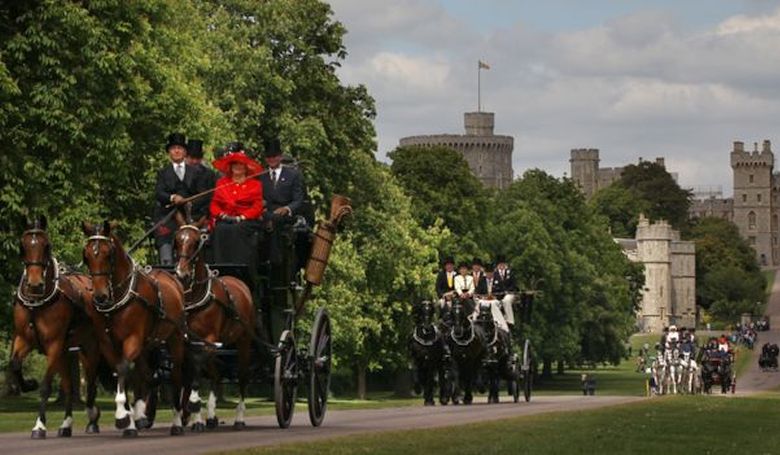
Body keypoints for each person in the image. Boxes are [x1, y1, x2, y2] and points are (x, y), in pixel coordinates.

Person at [208, 144, 264, 269]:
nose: (238, 167)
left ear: (246, 167)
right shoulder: (222, 183)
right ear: (231, 167)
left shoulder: (255, 184)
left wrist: (243, 217)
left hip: (246, 220)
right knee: (219, 230)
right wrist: (222, 215)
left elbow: (257, 205)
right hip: (226, 218)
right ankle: (220, 266)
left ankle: (240, 266)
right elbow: (214, 204)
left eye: (241, 165)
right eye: (235, 165)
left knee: (237, 230)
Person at [154, 132, 200, 264]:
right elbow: (159, 193)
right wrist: (173, 197)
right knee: (164, 238)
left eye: (180, 148)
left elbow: (202, 194)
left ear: (185, 152)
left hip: (190, 218)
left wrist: (190, 202)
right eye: (173, 148)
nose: (177, 151)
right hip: (167, 218)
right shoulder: (162, 173)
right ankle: (167, 264)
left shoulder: (196, 172)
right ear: (169, 152)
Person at [186, 138, 217, 220]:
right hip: (182, 212)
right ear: (186, 157)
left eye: (198, 158)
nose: (195, 161)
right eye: (192, 158)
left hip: (204, 213)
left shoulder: (209, 174)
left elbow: (212, 197)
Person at [491, 255, 517, 328]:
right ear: (497, 265)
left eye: (503, 264)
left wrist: (508, 291)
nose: (501, 265)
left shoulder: (510, 273)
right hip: (498, 294)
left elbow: (514, 284)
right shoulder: (494, 274)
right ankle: (496, 319)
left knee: (506, 301)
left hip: (509, 294)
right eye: (500, 264)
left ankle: (510, 320)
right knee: (493, 303)